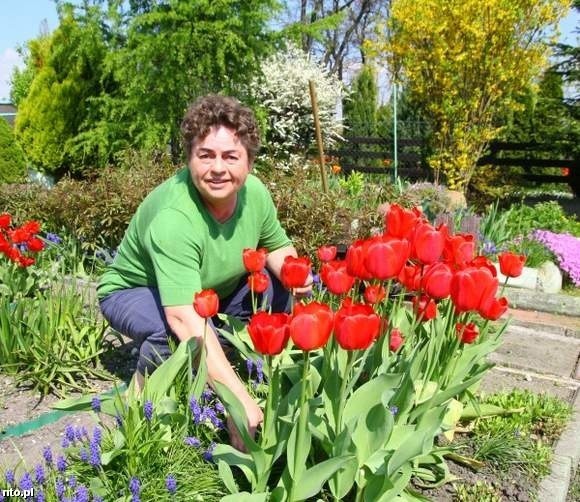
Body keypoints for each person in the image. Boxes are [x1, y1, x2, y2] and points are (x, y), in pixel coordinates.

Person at [97, 94, 311, 451]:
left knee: (275, 288)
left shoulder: (254, 194)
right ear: (189, 157)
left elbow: (275, 246)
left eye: (231, 156)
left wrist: (294, 276)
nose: (218, 168)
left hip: (209, 292)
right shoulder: (175, 218)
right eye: (205, 155)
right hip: (137, 292)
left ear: (249, 162)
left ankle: (221, 364)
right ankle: (140, 399)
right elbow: (182, 316)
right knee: (170, 331)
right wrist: (237, 401)